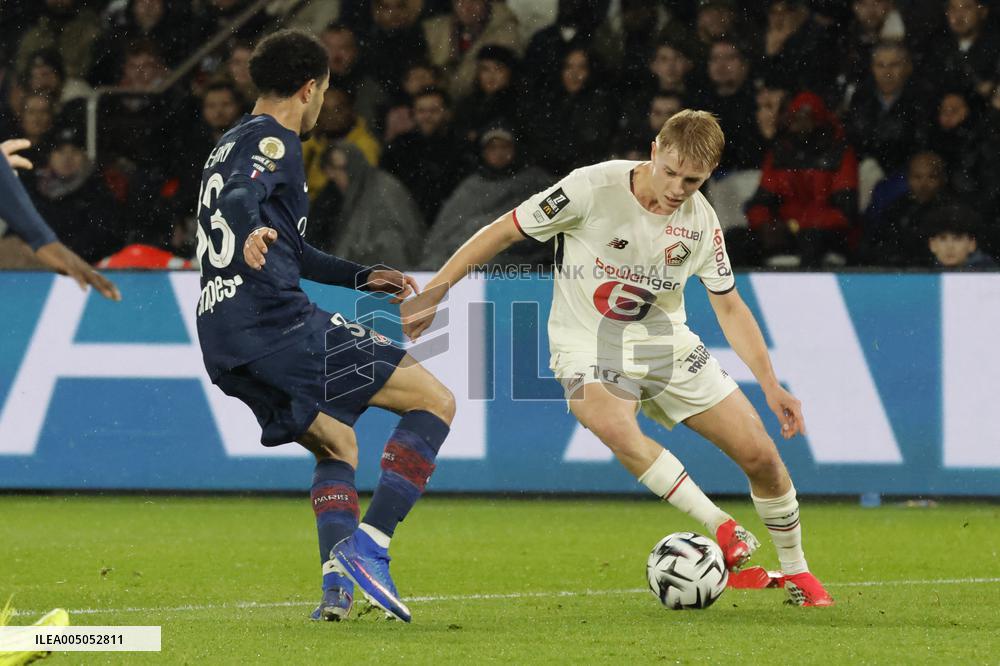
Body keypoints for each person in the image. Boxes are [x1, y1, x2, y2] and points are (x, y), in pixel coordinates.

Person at [403, 110, 834, 606]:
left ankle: (796, 571)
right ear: (654, 150)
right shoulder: (592, 188)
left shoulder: (700, 223)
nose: (676, 187)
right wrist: (436, 291)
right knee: (610, 421)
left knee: (761, 457)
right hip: (588, 342)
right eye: (670, 171)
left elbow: (730, 307)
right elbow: (504, 230)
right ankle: (721, 524)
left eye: (692, 180)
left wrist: (772, 383)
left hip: (663, 343)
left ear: (709, 174)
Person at [193, 29, 454, 624]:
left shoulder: (228, 142)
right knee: (435, 402)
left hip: (224, 337)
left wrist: (364, 278)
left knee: (338, 443)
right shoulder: (276, 143)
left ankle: (335, 589)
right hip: (275, 323)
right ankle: (370, 545)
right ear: (310, 88)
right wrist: (251, 225)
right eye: (324, 93)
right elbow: (241, 197)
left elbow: (293, 250)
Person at [0, 138, 119, 300]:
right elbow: (15, 237)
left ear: (85, 156)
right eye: (61, 151)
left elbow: (103, 237)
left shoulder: (97, 190)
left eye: (74, 151)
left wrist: (57, 250)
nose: (67, 158)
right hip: (32, 274)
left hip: (78, 272)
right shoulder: (32, 186)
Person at [924, 203, 998, 269]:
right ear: (932, 244)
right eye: (943, 239)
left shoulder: (992, 276)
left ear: (972, 244)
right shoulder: (922, 274)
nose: (950, 246)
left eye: (957, 239)